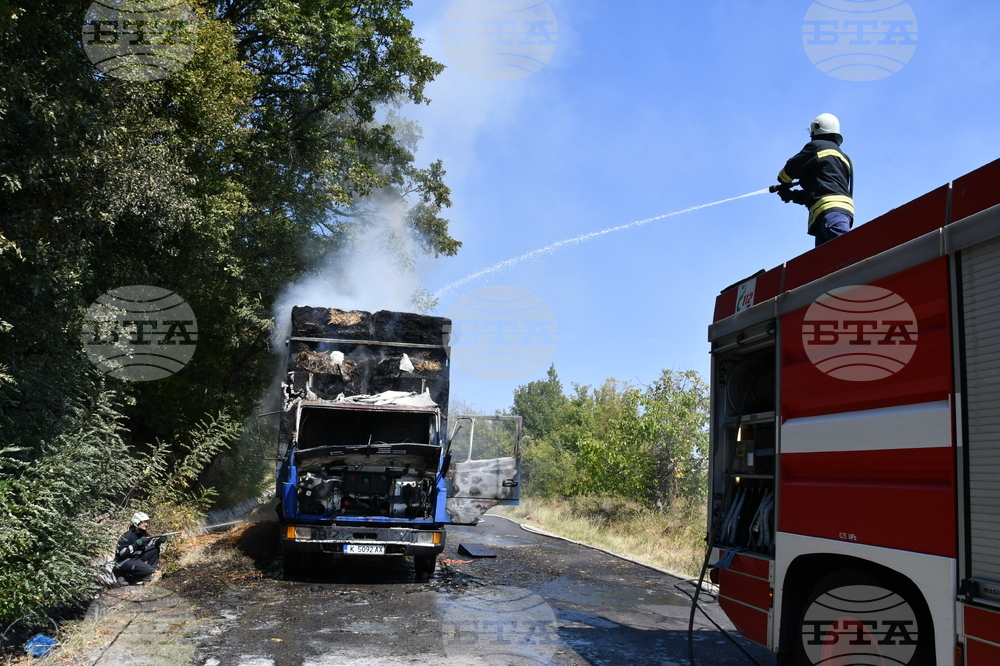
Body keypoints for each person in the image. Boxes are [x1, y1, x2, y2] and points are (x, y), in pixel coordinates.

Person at [775, 113, 854, 246]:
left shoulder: (817, 147)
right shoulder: (841, 156)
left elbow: (789, 171)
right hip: (837, 213)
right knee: (829, 261)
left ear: (816, 128)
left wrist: (783, 182)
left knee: (846, 250)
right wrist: (792, 195)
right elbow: (821, 188)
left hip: (830, 213)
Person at [115, 511, 161, 584]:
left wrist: (159, 541)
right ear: (137, 522)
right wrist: (136, 544)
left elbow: (151, 542)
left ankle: (151, 572)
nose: (146, 524)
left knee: (154, 549)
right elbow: (122, 553)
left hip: (136, 558)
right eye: (143, 522)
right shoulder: (127, 535)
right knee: (148, 570)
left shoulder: (143, 533)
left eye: (146, 522)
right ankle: (124, 576)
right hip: (125, 561)